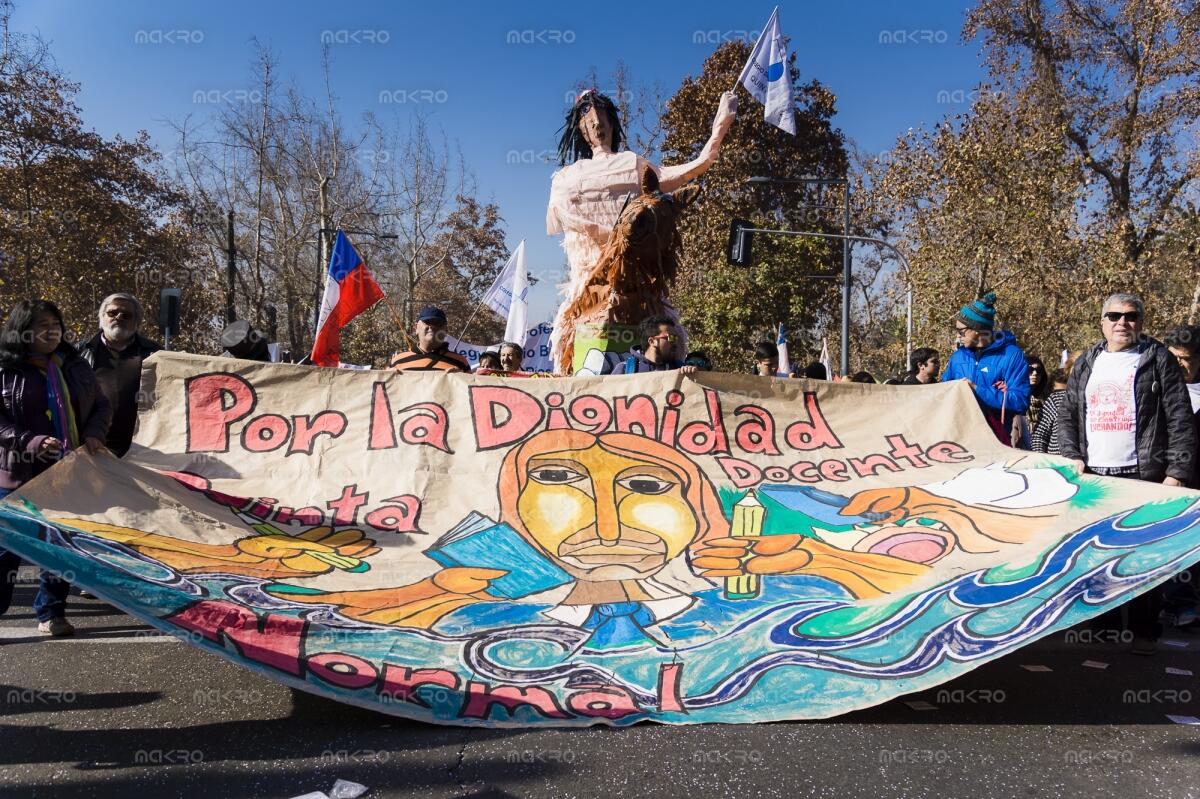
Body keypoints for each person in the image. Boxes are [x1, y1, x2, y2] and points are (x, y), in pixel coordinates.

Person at [546, 88, 736, 372]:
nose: (597, 123)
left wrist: (719, 128)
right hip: (590, 285)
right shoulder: (566, 176)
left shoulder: (633, 164)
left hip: (641, 285)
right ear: (581, 130)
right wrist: (613, 238)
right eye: (588, 120)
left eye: (602, 117)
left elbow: (691, 169)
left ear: (613, 123)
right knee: (576, 346)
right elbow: (564, 213)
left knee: (669, 343)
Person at [1060, 293, 1197, 653]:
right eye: (1115, 316)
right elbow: (1069, 416)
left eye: (1131, 316)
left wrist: (1177, 472)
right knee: (1097, 556)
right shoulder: (1088, 362)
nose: (1123, 322)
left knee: (1142, 559)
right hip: (1096, 477)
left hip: (1143, 476)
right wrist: (1071, 455)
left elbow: (1180, 417)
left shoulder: (1157, 359)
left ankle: (1142, 632)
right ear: (1102, 321)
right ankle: (1103, 630)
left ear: (1140, 321)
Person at [0, 299, 111, 636]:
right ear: (22, 331)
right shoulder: (6, 369)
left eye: (55, 323)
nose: (51, 331)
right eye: (41, 325)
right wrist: (31, 442)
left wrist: (92, 434)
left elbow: (101, 405)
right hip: (16, 473)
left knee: (59, 544)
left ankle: (51, 612)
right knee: (6, 551)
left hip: (67, 472)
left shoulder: (74, 364)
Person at [78, 293, 162, 456]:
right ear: (101, 318)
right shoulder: (79, 353)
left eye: (127, 315)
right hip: (90, 447)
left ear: (136, 323)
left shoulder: (155, 354)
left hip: (140, 450)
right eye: (112, 313)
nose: (119, 317)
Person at [942, 291, 1030, 445]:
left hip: (995, 442)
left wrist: (977, 389)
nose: (958, 337)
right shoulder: (957, 358)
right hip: (958, 441)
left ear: (977, 329)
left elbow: (1020, 401)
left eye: (961, 332)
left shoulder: (1012, 356)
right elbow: (943, 393)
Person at [389, 307, 470, 373]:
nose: (432, 327)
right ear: (416, 328)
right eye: (427, 322)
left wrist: (461, 378)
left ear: (446, 330)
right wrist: (390, 378)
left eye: (437, 323)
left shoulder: (461, 362)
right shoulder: (397, 361)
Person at [614, 316, 697, 375]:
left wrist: (693, 377)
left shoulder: (682, 370)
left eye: (676, 338)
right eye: (671, 337)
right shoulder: (624, 370)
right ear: (652, 341)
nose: (675, 342)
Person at [1030, 368, 1069, 455]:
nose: (1062, 396)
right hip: (1057, 463)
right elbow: (1039, 437)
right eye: (1057, 392)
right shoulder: (1053, 401)